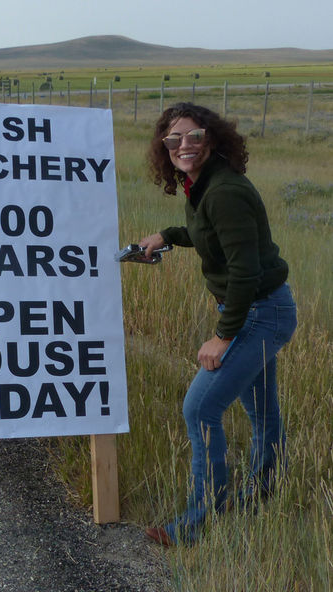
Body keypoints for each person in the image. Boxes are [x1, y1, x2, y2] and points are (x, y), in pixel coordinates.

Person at [141, 103, 297, 547]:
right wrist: (168, 236)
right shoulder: (204, 185)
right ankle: (264, 491)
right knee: (262, 411)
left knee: (199, 408)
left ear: (211, 137)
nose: (183, 146)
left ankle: (197, 521)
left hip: (258, 313)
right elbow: (210, 233)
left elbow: (244, 270)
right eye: (174, 139)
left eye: (193, 136)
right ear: (164, 147)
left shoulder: (223, 190)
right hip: (261, 308)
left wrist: (223, 336)